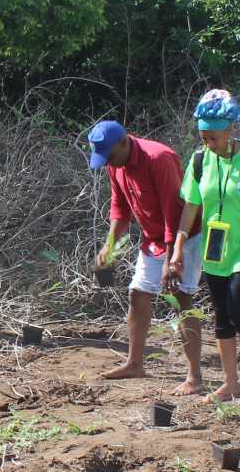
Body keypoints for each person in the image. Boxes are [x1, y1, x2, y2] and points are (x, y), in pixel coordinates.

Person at [170, 91, 240, 402]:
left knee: (237, 304)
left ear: (231, 129)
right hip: (216, 247)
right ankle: (230, 383)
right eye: (204, 137)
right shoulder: (199, 160)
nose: (208, 144)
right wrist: (178, 246)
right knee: (220, 313)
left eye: (213, 137)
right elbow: (191, 205)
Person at [86, 119, 200, 386]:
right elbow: (120, 208)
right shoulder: (116, 164)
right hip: (154, 238)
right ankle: (135, 364)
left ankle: (195, 375)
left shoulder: (159, 158)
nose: (108, 164)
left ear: (124, 142)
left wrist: (173, 257)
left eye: (110, 157)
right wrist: (109, 246)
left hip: (186, 237)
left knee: (181, 298)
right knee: (137, 294)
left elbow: (175, 210)